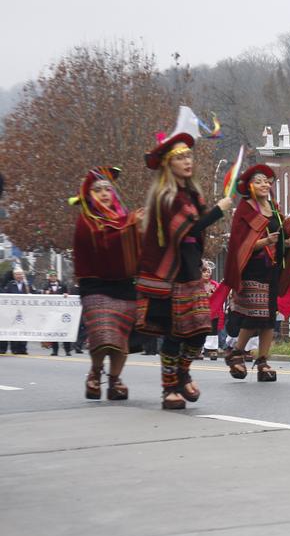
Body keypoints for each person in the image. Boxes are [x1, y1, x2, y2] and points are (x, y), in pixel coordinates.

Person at [136, 132, 234, 410]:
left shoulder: (192, 194)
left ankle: (182, 373)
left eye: (188, 155)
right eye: (180, 157)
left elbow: (196, 229)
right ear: (169, 164)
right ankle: (169, 388)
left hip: (191, 269)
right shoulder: (166, 197)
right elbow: (188, 229)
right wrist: (217, 210)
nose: (187, 161)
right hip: (172, 272)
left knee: (200, 330)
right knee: (175, 332)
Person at [71, 167, 143, 399]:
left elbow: (138, 246)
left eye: (108, 189)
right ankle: (95, 372)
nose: (104, 194)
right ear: (88, 194)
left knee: (121, 338)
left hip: (124, 285)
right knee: (104, 334)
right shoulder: (86, 221)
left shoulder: (125, 218)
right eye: (98, 190)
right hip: (96, 285)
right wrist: (132, 224)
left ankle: (114, 380)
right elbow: (103, 242)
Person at [223, 164, 290, 382]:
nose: (264, 184)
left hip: (272, 269)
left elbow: (279, 242)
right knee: (255, 317)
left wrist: (288, 243)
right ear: (249, 186)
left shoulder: (274, 208)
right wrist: (264, 241)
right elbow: (239, 244)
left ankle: (262, 360)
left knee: (268, 317)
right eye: (259, 181)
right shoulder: (245, 210)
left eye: (267, 181)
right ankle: (236, 352)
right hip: (252, 270)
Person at [41, 270, 74, 356]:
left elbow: (68, 294)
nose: (53, 277)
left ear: (56, 276)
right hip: (51, 312)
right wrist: (45, 293)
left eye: (54, 276)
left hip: (62, 311)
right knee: (54, 331)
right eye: (51, 276)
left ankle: (68, 350)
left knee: (65, 330)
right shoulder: (46, 285)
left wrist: (67, 294)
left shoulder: (63, 284)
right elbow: (41, 296)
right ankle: (55, 351)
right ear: (49, 277)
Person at [4, 267, 34, 354]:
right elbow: (6, 297)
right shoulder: (10, 284)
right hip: (13, 312)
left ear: (23, 275)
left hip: (25, 312)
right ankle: (14, 349)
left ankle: (23, 348)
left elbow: (35, 294)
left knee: (24, 330)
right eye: (17, 274)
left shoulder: (27, 284)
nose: (19, 276)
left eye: (21, 274)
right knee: (14, 330)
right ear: (14, 275)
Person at [201, 260, 223, 361]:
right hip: (200, 311)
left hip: (213, 311)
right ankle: (198, 349)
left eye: (208, 272)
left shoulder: (215, 284)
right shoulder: (197, 284)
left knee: (213, 330)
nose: (206, 273)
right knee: (199, 330)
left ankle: (212, 349)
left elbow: (220, 296)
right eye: (204, 271)